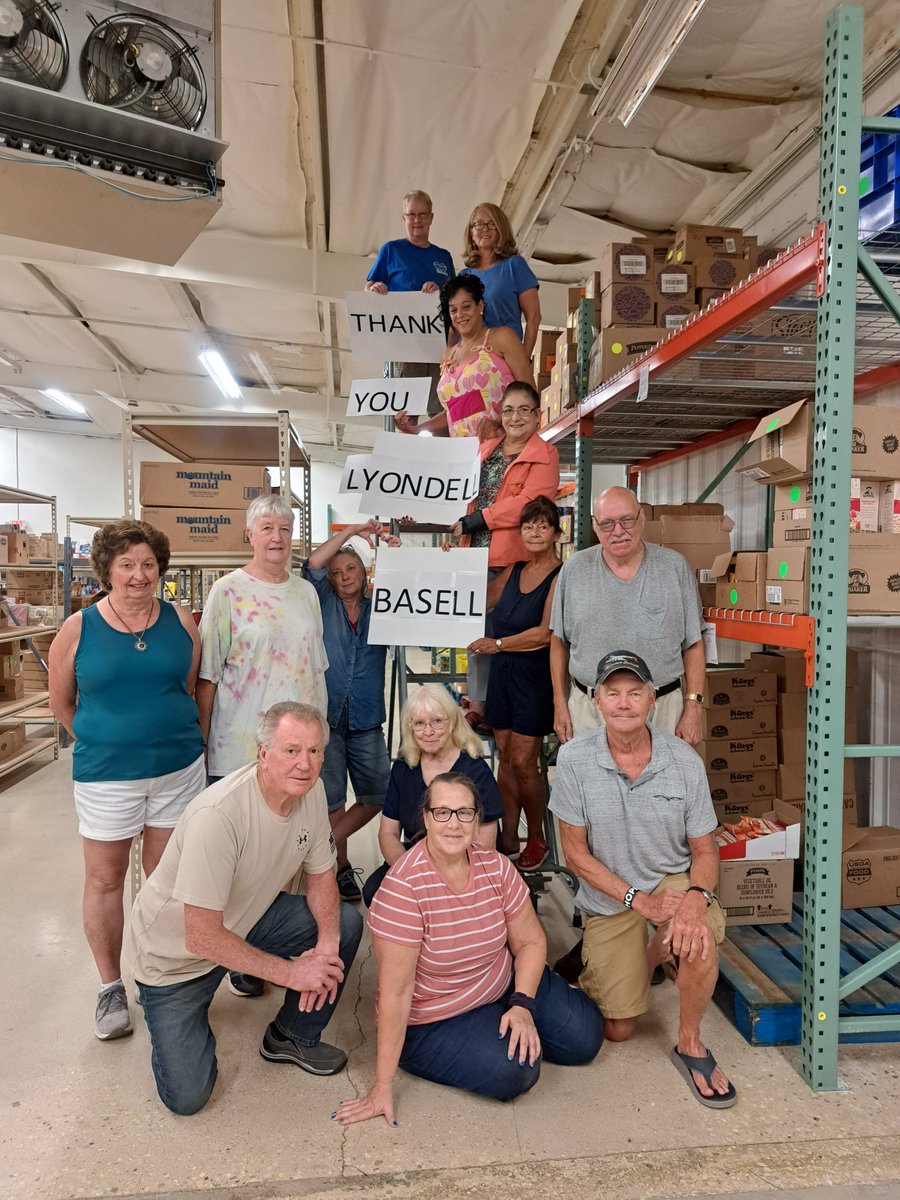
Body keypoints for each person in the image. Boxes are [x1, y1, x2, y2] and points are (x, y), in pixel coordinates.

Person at [123, 702, 364, 1116]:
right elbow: (199, 935)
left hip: (247, 920)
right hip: (175, 958)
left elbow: (322, 875)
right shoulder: (218, 815)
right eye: (291, 750)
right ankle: (173, 1011)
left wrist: (326, 944)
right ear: (263, 752)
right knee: (188, 1098)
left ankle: (290, 1036)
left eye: (314, 751)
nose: (304, 764)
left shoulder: (312, 792)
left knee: (344, 924)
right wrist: (291, 972)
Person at [333, 772, 604, 1127]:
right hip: (434, 1018)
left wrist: (523, 1004)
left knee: (585, 1038)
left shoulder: (496, 867)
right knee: (517, 1071)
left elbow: (530, 941)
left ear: (478, 821)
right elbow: (396, 993)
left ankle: (508, 1019)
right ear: (426, 818)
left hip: (499, 983)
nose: (453, 823)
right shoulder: (403, 889)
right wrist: (381, 1087)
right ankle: (464, 1038)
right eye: (442, 812)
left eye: (464, 813)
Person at [550, 651, 736, 1109]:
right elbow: (574, 853)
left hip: (670, 878)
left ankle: (690, 1042)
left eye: (635, 692)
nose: (624, 702)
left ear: (652, 700)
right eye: (613, 693)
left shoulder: (683, 761)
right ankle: (650, 955)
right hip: (613, 893)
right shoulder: (574, 761)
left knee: (698, 937)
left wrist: (696, 897)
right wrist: (638, 901)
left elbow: (704, 849)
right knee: (618, 1029)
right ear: (596, 701)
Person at [48, 519, 205, 1042]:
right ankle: (110, 985)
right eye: (127, 565)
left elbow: (183, 689)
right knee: (105, 879)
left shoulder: (181, 621)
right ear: (107, 570)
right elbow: (60, 703)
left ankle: (158, 974)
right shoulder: (79, 628)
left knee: (165, 879)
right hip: (107, 778)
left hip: (178, 772)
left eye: (148, 564)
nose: (139, 575)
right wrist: (105, 741)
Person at [197, 492, 328, 998]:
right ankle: (232, 952)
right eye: (267, 528)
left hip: (298, 752)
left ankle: (270, 951)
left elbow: (315, 672)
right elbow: (208, 677)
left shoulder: (306, 594)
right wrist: (204, 742)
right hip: (241, 748)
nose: (277, 537)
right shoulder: (227, 592)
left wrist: (320, 744)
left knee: (288, 857)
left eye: (285, 528)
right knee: (241, 861)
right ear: (250, 535)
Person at [550, 485, 706, 745]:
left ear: (641, 518)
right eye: (607, 524)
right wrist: (559, 703)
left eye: (627, 520)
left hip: (662, 712)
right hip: (590, 711)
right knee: (592, 785)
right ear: (595, 526)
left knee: (661, 786)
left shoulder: (674, 567)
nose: (618, 531)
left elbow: (694, 644)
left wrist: (693, 707)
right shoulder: (574, 569)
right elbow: (558, 642)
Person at [449, 381, 559, 731]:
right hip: (472, 554)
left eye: (524, 410)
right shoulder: (487, 448)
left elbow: (530, 505)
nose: (515, 417)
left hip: (510, 558)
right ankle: (478, 703)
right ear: (501, 414)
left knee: (507, 634)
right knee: (476, 629)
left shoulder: (545, 455)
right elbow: (463, 492)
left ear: (537, 416)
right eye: (508, 410)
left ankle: (503, 705)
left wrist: (479, 519)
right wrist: (449, 522)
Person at [302, 519, 400, 903]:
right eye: (338, 572)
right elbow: (312, 564)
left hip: (366, 718)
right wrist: (350, 534)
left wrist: (389, 550)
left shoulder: (384, 608)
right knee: (331, 801)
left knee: (379, 794)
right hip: (325, 719)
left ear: (365, 572)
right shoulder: (321, 603)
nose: (344, 577)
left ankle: (321, 846)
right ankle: (340, 869)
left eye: (352, 568)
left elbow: (409, 586)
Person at [468, 497, 562, 869]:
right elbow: (479, 604)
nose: (534, 532)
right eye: (528, 526)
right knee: (504, 758)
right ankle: (507, 834)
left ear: (556, 532)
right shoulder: (513, 569)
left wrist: (499, 644)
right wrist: (448, 562)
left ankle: (536, 837)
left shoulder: (560, 575)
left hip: (534, 676)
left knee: (525, 762)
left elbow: (545, 633)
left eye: (542, 526)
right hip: (502, 673)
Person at [361, 684, 502, 906]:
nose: (428, 731)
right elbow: (388, 833)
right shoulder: (403, 768)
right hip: (416, 859)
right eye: (419, 723)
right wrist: (408, 872)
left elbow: (486, 843)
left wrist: (444, 878)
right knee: (375, 894)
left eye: (437, 721)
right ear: (410, 727)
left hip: (466, 861)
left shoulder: (475, 769)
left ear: (452, 722)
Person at [394, 274, 534, 439]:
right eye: (453, 310)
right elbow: (453, 415)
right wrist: (415, 429)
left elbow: (530, 393)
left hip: (504, 450)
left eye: (466, 306)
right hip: (463, 457)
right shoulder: (448, 356)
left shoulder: (502, 337)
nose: (460, 315)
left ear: (480, 306)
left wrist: (498, 420)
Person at [364, 189, 454, 415]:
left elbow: (455, 297)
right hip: (404, 345)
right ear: (404, 218)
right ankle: (405, 446)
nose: (417, 220)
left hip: (437, 346)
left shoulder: (443, 257)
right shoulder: (392, 250)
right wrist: (375, 289)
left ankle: (439, 449)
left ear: (431, 218)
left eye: (422, 214)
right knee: (406, 410)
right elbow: (368, 287)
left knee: (440, 407)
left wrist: (439, 289)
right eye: (411, 214)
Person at [461, 201, 541, 357]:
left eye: (492, 224)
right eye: (479, 224)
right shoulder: (463, 276)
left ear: (501, 230)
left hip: (505, 357)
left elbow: (534, 317)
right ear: (471, 232)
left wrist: (523, 358)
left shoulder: (515, 265)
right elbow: (454, 325)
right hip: (470, 361)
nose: (485, 229)